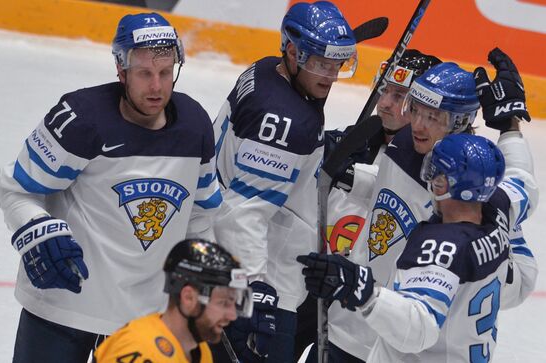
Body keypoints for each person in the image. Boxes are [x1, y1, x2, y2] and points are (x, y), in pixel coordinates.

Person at [0, 12, 221, 362]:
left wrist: (206, 281)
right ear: (121, 70)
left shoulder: (195, 126)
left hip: (144, 319)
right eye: (145, 73)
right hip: (63, 305)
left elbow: (201, 215)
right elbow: (17, 187)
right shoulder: (79, 119)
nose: (157, 87)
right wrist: (34, 227)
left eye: (165, 73)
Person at [303, 48, 538, 362]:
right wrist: (349, 176)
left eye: (434, 117)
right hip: (350, 324)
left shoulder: (469, 205)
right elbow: (521, 181)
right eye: (415, 109)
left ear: (461, 121)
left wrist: (365, 292)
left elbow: (516, 284)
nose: (419, 125)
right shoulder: (408, 145)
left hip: (398, 333)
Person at [210, 2, 358, 362]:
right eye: (321, 63)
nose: (331, 75)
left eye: (337, 64)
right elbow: (242, 213)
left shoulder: (265, 70)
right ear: (292, 52)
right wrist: (256, 290)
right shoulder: (285, 122)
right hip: (264, 286)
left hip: (225, 266)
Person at [295, 49, 442, 361]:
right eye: (384, 89)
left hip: (363, 320)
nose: (385, 102)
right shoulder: (361, 139)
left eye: (399, 95)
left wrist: (351, 174)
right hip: (316, 279)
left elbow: (394, 187)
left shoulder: (436, 170)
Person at [94, 238, 252, 363]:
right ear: (189, 297)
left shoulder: (200, 351)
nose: (232, 315)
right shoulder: (139, 349)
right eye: (224, 303)